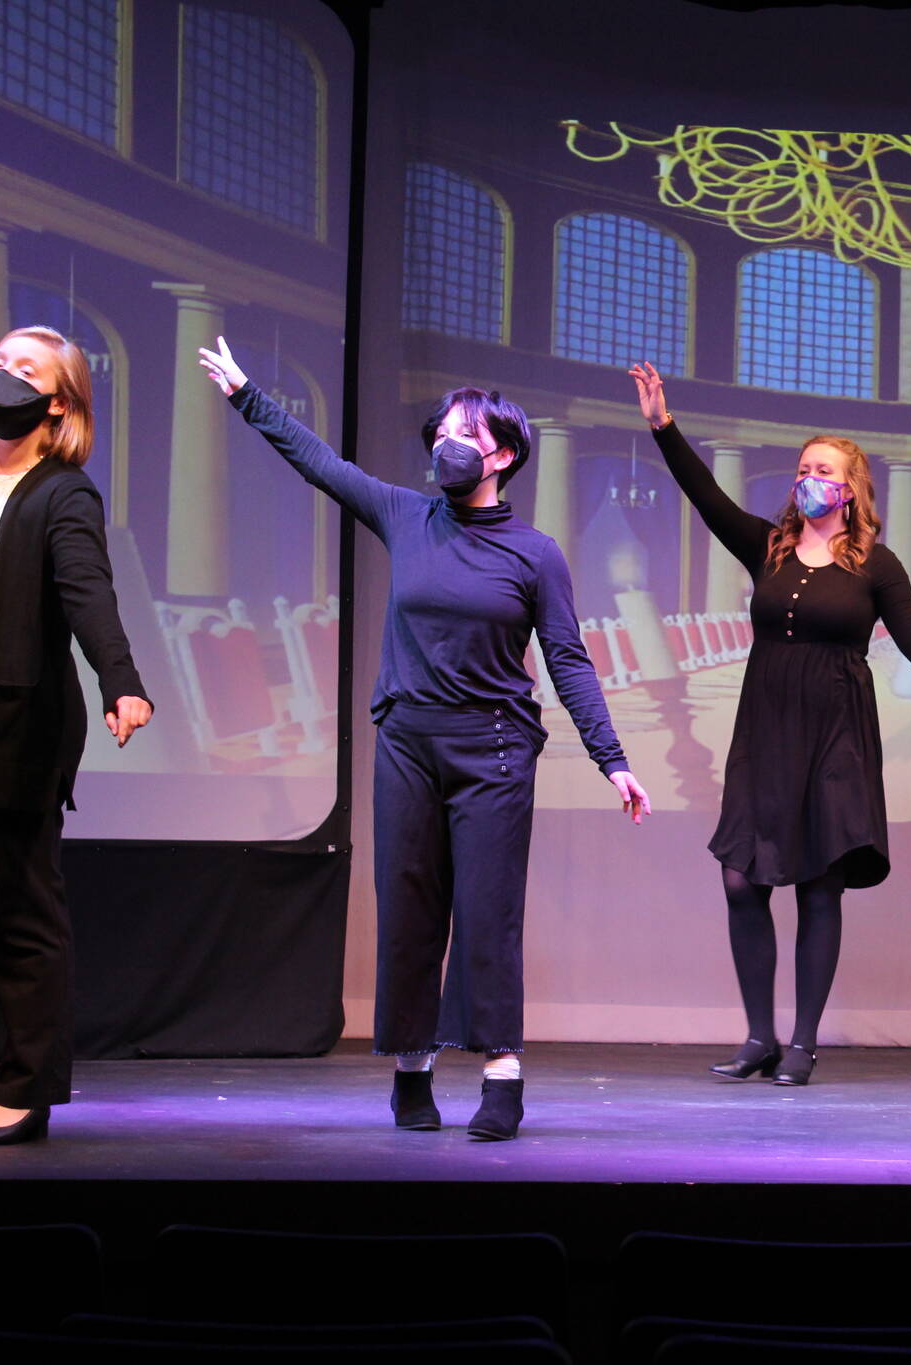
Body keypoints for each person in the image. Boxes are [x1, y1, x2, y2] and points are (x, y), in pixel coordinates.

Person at [200, 338, 649, 1141]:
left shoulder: (535, 554)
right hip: (407, 741)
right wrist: (245, 393)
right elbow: (319, 464)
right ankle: (411, 1067)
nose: (447, 443)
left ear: (503, 454)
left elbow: (570, 661)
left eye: (465, 434)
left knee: (488, 912)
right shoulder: (406, 515)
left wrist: (612, 758)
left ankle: (501, 1072)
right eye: (441, 429)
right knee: (409, 907)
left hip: (496, 749)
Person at [631, 363, 911, 1087]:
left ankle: (803, 1043)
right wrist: (664, 426)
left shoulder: (874, 564)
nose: (809, 477)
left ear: (849, 488)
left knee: (819, 881)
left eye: (824, 469)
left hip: (837, 730)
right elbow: (704, 492)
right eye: (804, 467)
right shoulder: (769, 547)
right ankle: (759, 1035)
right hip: (766, 724)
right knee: (741, 879)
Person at [0, 325, 152, 1147]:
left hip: (13, 726)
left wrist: (121, 679)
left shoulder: (62, 493)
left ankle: (24, 1088)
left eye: (25, 369)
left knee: (23, 911)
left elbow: (88, 594)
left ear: (59, 401)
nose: (2, 374)